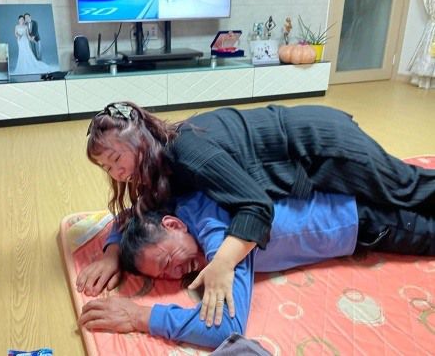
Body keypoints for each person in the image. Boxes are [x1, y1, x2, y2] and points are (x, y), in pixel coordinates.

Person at [81, 101, 435, 326]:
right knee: (394, 202)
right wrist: (113, 252)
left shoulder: (186, 152)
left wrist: (222, 263)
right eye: (106, 168)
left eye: (116, 159)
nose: (117, 173)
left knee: (408, 190)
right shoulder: (161, 169)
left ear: (139, 141)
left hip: (321, 143)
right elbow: (138, 213)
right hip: (301, 166)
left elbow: (256, 206)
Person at [79, 191, 435, 348]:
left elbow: (226, 328)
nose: (177, 274)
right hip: (351, 195)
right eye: (164, 275)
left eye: (168, 261)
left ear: (173, 224)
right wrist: (113, 253)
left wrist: (140, 316)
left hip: (366, 219)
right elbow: (130, 213)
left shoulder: (222, 238)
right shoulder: (183, 203)